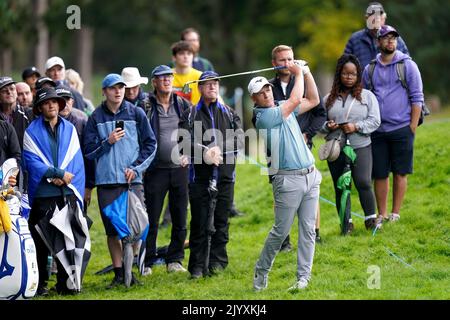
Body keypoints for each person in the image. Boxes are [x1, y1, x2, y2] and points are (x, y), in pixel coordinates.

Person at [250, 60, 321, 292]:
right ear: (255, 100)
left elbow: (313, 100)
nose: (266, 93)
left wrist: (307, 73)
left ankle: (303, 278)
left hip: (310, 176)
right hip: (287, 180)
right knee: (280, 232)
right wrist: (297, 72)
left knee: (309, 230)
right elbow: (293, 101)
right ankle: (261, 271)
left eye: (267, 89)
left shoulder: (282, 106)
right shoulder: (264, 117)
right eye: (260, 93)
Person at [83, 73, 157, 288]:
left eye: (121, 88)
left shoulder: (137, 113)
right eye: (113, 88)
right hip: (107, 183)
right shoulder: (95, 117)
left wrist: (136, 169)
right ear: (104, 92)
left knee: (136, 229)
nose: (118, 91)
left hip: (132, 182)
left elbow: (150, 145)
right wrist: (108, 141)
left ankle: (130, 271)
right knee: (113, 231)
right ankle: (119, 274)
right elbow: (88, 152)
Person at [179, 71, 244, 279]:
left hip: (225, 177)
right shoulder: (190, 114)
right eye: (208, 84)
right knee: (199, 220)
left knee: (221, 221)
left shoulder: (229, 113)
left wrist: (218, 148)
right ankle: (197, 266)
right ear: (200, 88)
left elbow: (240, 140)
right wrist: (205, 152)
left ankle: (217, 263)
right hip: (199, 178)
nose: (213, 87)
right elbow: (183, 142)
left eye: (215, 83)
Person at [22, 87, 85, 296]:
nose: (52, 105)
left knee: (67, 240)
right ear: (40, 107)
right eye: (47, 102)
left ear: (60, 105)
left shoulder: (70, 129)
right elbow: (31, 161)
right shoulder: (31, 131)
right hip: (43, 195)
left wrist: (65, 179)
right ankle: (39, 285)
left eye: (55, 102)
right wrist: (57, 173)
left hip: (65, 193)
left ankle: (66, 284)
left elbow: (76, 160)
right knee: (40, 242)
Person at [362, 25, 424, 226]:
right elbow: (364, 97)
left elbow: (417, 98)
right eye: (386, 38)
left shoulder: (408, 65)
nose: (390, 41)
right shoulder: (369, 69)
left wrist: (411, 127)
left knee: (400, 172)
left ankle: (395, 214)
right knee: (379, 173)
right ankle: (382, 213)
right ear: (378, 42)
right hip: (377, 130)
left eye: (393, 38)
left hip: (402, 128)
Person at [269, 44, 325, 247]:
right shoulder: (267, 88)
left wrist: (307, 134)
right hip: (276, 149)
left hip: (302, 146)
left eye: (290, 59)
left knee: (310, 190)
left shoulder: (303, 81)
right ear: (274, 63)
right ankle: (283, 238)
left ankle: (314, 233)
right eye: (282, 60)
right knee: (280, 193)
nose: (287, 64)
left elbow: (319, 110)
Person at [321, 54, 380, 232]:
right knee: (341, 186)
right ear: (339, 74)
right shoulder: (327, 100)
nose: (349, 77)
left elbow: (375, 121)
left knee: (363, 181)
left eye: (353, 74)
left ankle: (371, 220)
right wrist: (327, 126)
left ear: (358, 75)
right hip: (336, 149)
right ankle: (346, 224)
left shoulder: (367, 96)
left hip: (360, 145)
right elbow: (319, 126)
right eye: (345, 73)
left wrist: (356, 126)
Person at [143, 65, 191, 274]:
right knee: (151, 218)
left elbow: (193, 131)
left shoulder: (182, 104)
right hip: (155, 170)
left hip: (179, 170)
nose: (166, 81)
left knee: (180, 216)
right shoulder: (145, 105)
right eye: (161, 78)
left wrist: (188, 153)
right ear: (154, 82)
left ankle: (175, 259)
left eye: (169, 77)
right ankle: (148, 260)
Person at [55, 85, 95, 208]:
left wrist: (88, 186)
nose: (64, 104)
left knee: (77, 220)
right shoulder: (46, 121)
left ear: (72, 101)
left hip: (78, 179)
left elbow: (89, 155)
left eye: (67, 100)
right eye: (60, 100)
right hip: (54, 180)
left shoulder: (82, 119)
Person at [344, 2, 409, 68]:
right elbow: (344, 66)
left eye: (379, 15)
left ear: (384, 18)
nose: (376, 18)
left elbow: (407, 65)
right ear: (366, 18)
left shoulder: (396, 39)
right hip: (363, 78)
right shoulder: (354, 39)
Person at [0, 76, 33, 149]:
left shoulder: (29, 114)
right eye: (4, 91)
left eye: (12, 89)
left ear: (16, 93)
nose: (9, 92)